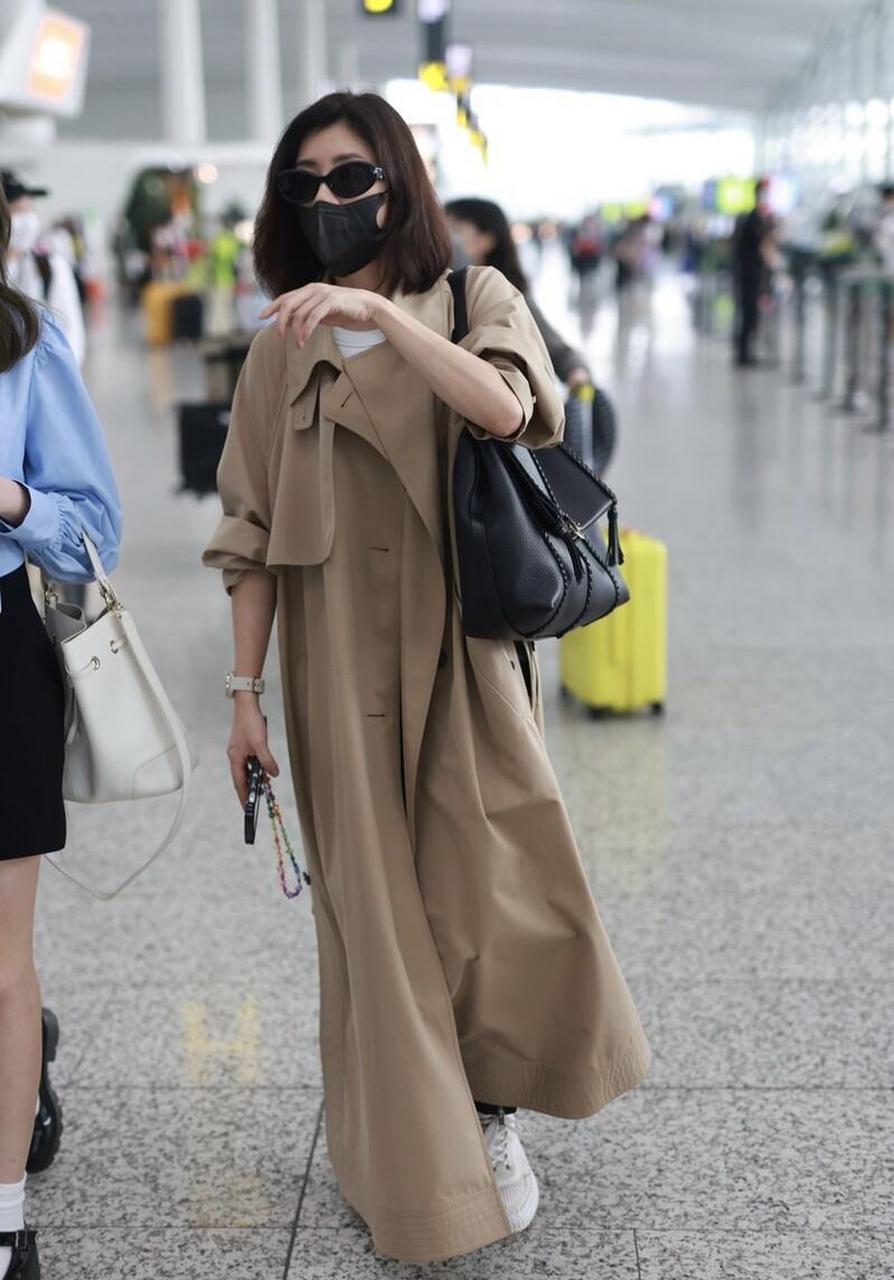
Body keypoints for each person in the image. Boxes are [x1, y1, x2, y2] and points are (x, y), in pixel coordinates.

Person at [202, 90, 650, 1266]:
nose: (329, 200)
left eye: (352, 176)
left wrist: (378, 315)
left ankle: (493, 1104)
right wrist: (244, 700)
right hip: (335, 664)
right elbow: (248, 536)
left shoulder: (472, 297)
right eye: (304, 183)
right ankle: (417, 1161)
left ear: (400, 184)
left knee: (487, 889)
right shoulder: (275, 347)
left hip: (463, 649)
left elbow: (510, 407)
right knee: (376, 919)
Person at [0, 183, 122, 1280]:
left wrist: (11, 499)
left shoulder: (23, 343)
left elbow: (93, 535)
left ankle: (2, 1215)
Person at [445, 196, 591, 389]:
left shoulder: (507, 291)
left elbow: (549, 342)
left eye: (456, 230)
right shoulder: (441, 287)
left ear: (487, 240)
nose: (447, 238)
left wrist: (577, 374)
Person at [0, 173, 86, 369]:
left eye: (29, 210)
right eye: (17, 210)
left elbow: (71, 333)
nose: (27, 220)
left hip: (41, 375)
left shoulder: (51, 268)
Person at [731, 177, 773, 368]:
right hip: (748, 274)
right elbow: (763, 246)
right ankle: (743, 353)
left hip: (747, 272)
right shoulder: (754, 218)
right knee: (748, 313)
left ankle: (744, 351)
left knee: (748, 313)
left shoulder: (752, 217)